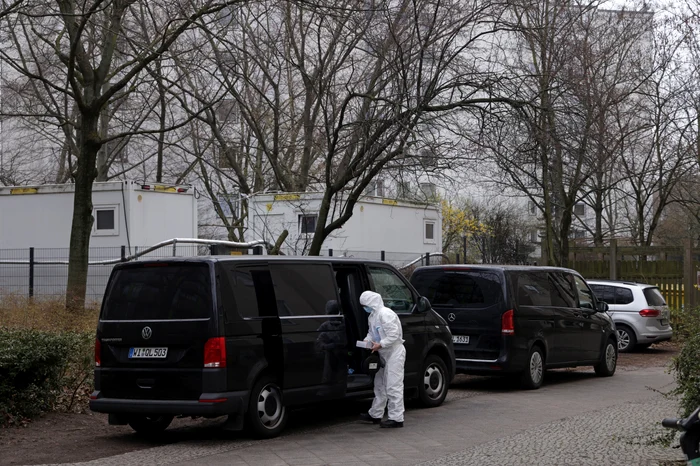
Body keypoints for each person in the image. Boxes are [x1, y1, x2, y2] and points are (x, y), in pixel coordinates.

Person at [358, 290, 405, 428]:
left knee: (393, 385)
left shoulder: (386, 314)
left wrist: (381, 344)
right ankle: (375, 414)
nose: (364, 308)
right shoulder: (373, 316)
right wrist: (367, 341)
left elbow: (394, 335)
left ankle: (396, 418)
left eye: (365, 305)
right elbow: (372, 333)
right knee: (379, 385)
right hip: (382, 353)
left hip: (394, 352)